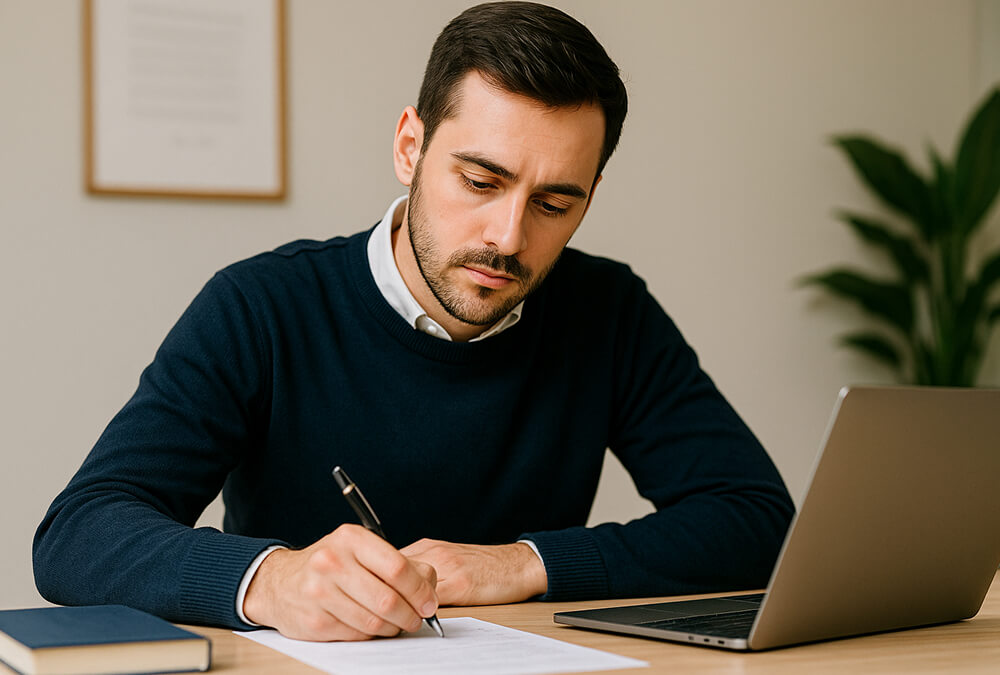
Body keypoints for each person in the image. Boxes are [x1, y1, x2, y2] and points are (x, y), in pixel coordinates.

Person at [33, 1, 794, 642]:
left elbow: (757, 519)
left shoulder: (609, 310)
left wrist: (525, 562)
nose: (508, 236)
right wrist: (272, 579)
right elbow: (78, 533)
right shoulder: (261, 305)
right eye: (480, 181)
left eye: (554, 204)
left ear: (590, 197)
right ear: (410, 147)